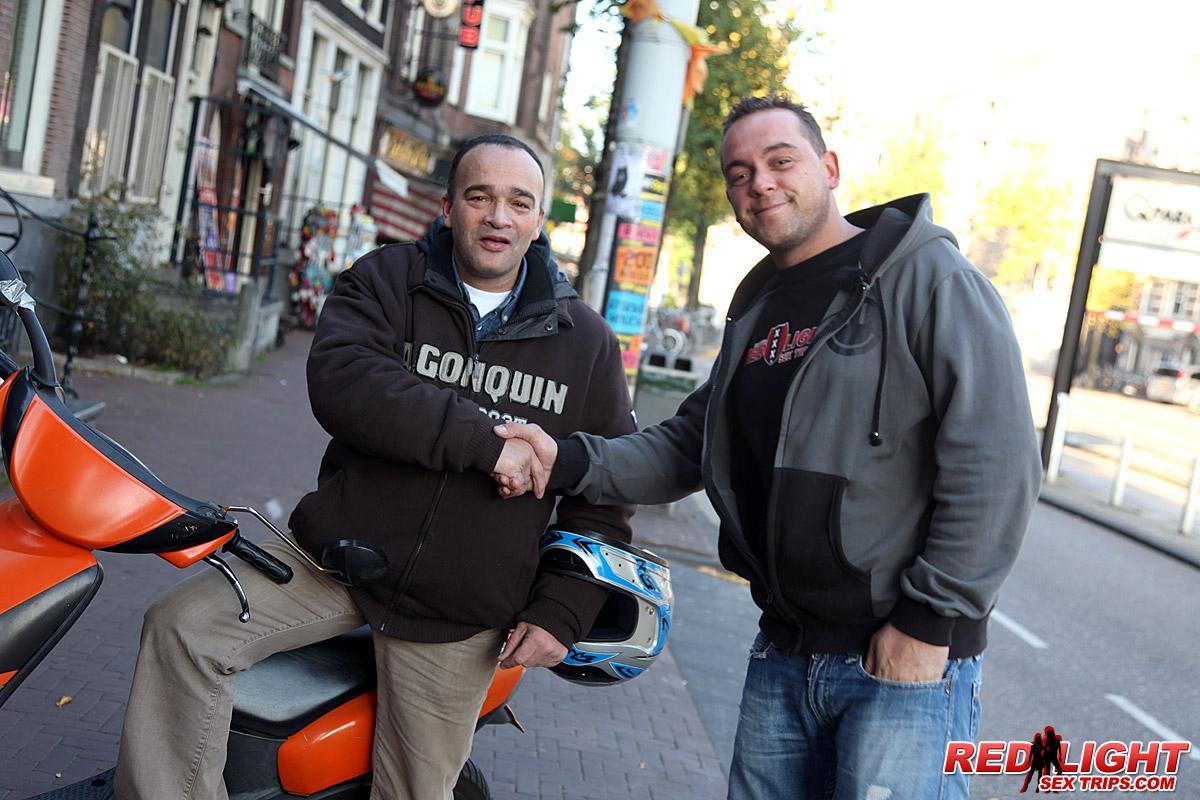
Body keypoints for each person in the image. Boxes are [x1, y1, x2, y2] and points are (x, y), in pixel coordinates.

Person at [494, 94, 1043, 798]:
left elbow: (997, 466)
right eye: (740, 173)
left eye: (781, 161)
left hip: (901, 662)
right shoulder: (759, 307)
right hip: (785, 650)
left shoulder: (929, 279)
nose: (760, 183)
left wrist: (928, 623)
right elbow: (688, 445)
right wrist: (564, 459)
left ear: (830, 168)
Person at [113, 134, 636, 800]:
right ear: (448, 207)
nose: (497, 217)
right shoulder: (388, 279)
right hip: (334, 558)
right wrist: (485, 443)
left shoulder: (587, 344)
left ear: (539, 222)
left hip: (460, 606)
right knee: (181, 629)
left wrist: (565, 607)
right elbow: (345, 381)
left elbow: (605, 494)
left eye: (518, 202)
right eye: (479, 197)